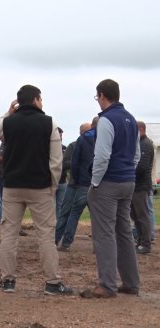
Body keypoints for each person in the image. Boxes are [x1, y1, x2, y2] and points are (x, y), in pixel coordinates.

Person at [0, 84, 73, 295]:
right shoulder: (49, 123)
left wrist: (8, 112)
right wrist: (52, 185)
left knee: (9, 234)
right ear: (35, 100)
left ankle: (8, 281)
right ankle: (52, 282)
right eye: (40, 99)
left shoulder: (9, 122)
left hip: (12, 186)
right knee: (45, 235)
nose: (42, 102)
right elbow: (55, 161)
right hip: (40, 186)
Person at [81, 79, 141, 298]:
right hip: (128, 181)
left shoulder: (106, 120)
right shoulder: (130, 119)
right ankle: (131, 282)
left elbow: (102, 155)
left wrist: (95, 182)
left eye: (97, 97)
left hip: (108, 182)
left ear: (102, 95)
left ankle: (106, 284)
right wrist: (127, 171)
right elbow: (136, 155)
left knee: (104, 234)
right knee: (124, 232)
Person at [55, 121, 94, 252]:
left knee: (75, 213)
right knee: (66, 212)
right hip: (75, 183)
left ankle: (66, 242)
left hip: (83, 183)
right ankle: (56, 239)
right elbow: (65, 163)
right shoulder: (73, 146)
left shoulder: (89, 142)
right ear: (81, 132)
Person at [130, 121, 154, 254]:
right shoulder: (140, 143)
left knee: (142, 215)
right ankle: (140, 240)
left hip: (140, 186)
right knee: (135, 215)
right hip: (135, 186)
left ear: (140, 129)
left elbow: (142, 167)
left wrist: (127, 173)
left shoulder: (145, 145)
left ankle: (146, 243)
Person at [55, 128, 67, 219]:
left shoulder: (64, 148)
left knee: (60, 205)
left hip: (62, 181)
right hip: (51, 181)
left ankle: (58, 226)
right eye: (59, 135)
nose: (60, 137)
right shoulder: (47, 148)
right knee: (50, 205)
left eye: (61, 135)